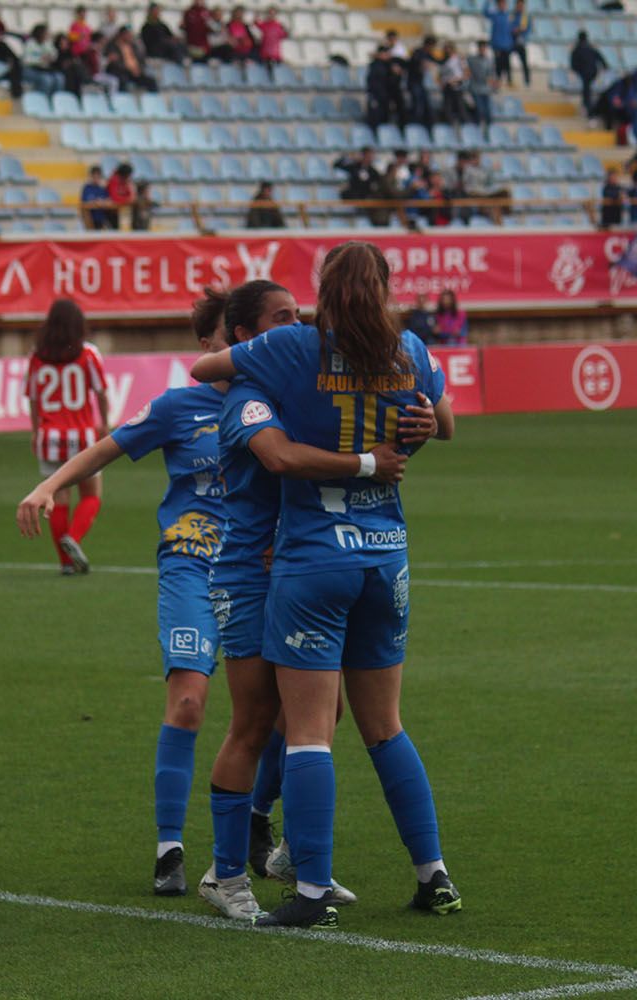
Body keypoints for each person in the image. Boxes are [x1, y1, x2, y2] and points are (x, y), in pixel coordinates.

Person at [188, 241, 459, 929]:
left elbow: (206, 367)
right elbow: (445, 422)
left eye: (298, 308)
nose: (292, 318)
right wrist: (416, 429)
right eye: (277, 314)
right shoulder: (408, 349)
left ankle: (304, 884)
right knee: (367, 725)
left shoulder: (289, 354)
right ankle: (428, 874)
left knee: (307, 728)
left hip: (309, 560)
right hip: (379, 557)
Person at [15, 295, 230, 897]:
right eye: (224, 337)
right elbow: (108, 443)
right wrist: (48, 485)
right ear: (210, 343)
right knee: (188, 703)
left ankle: (260, 834)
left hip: (258, 571)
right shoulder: (178, 406)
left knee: (275, 713)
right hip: (190, 562)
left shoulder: (277, 405)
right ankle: (169, 848)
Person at [22, 299, 110, 575]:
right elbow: (101, 391)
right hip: (82, 436)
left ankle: (65, 563)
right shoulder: (87, 354)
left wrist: (36, 430)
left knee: (58, 498)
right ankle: (74, 537)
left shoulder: (38, 357)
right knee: (92, 495)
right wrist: (104, 424)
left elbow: (34, 399)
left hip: (50, 438)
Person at [104, 26, 156, 92]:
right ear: (121, 35)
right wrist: (130, 69)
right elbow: (115, 63)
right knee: (122, 80)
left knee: (151, 81)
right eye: (127, 34)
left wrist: (139, 69)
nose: (130, 36)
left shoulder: (133, 46)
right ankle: (122, 101)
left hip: (135, 72)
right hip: (121, 72)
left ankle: (152, 101)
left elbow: (141, 60)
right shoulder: (112, 46)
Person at [20, 24, 65, 95]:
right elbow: (26, 60)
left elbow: (54, 54)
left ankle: (55, 100)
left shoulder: (47, 43)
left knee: (60, 78)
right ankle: (42, 100)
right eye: (46, 33)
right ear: (40, 34)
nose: (48, 35)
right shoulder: (30, 43)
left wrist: (51, 57)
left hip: (43, 69)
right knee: (46, 80)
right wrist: (40, 60)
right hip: (30, 69)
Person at [570, 31, 606, 116]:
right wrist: (605, 65)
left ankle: (589, 108)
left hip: (585, 72)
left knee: (587, 90)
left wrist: (576, 69)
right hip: (592, 71)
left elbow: (573, 62)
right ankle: (588, 107)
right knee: (587, 90)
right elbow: (599, 57)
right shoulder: (589, 47)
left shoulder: (577, 48)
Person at [466, 40, 494, 127]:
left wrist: (490, 80)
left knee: (488, 111)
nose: (483, 49)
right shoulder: (471, 59)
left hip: (485, 89)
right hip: (475, 88)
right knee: (479, 109)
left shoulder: (489, 61)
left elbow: (491, 74)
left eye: (484, 47)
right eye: (481, 47)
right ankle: (476, 127)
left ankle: (489, 130)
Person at [486, 0, 512, 88]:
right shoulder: (495, 15)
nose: (502, 5)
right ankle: (498, 83)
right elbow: (485, 12)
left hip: (507, 45)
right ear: (497, 5)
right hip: (497, 45)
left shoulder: (508, 16)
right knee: (498, 65)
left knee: (507, 64)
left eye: (504, 4)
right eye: (500, 4)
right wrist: (488, 2)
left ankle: (509, 81)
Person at [80, 165, 111, 230]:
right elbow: (83, 202)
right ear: (91, 176)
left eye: (98, 177)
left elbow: (108, 200)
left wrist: (102, 202)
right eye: (94, 176)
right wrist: (95, 202)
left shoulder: (102, 189)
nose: (96, 179)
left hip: (102, 218)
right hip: (90, 218)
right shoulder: (87, 188)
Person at [509, 0, 531, 87]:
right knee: (507, 61)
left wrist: (519, 30)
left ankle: (527, 81)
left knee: (524, 62)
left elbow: (525, 29)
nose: (520, 7)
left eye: (521, 5)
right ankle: (509, 79)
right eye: (518, 5)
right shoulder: (512, 15)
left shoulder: (525, 16)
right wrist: (515, 30)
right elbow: (509, 26)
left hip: (520, 42)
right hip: (511, 41)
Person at [107, 162, 135, 228]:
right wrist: (127, 199)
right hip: (110, 210)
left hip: (120, 208)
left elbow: (131, 195)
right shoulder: (113, 180)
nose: (129, 177)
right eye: (128, 175)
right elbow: (114, 198)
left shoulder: (125, 181)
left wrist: (130, 186)